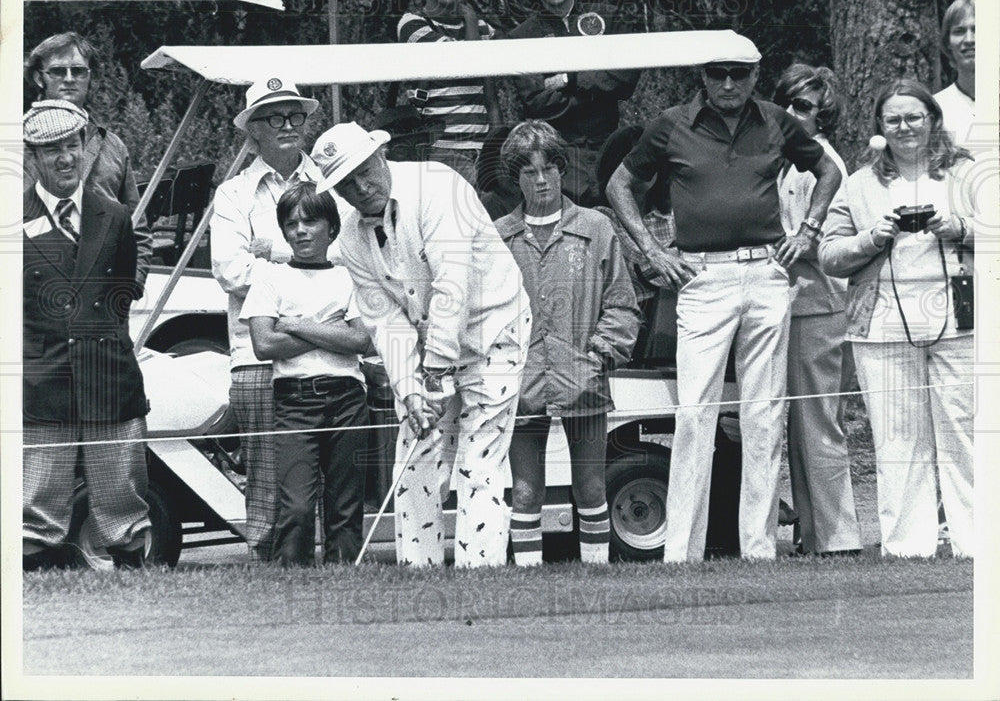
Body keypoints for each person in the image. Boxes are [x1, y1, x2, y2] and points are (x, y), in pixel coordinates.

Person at [606, 38, 844, 562]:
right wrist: (650, 250)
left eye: (739, 74)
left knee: (764, 414)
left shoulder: (778, 120)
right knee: (695, 414)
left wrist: (808, 228)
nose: (729, 84)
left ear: (756, 75)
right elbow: (620, 184)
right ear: (704, 76)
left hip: (766, 272)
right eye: (718, 74)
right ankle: (681, 553)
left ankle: (758, 548)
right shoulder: (671, 123)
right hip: (701, 277)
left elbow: (827, 169)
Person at [312, 122, 531, 568]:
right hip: (429, 349)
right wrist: (411, 390)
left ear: (381, 155)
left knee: (478, 458)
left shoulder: (437, 186)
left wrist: (434, 371)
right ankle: (419, 571)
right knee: (415, 455)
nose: (360, 187)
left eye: (363, 171)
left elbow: (454, 286)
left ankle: (480, 573)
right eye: (345, 183)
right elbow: (385, 322)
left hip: (494, 331)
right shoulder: (352, 237)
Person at [819, 79, 975, 559]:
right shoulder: (861, 182)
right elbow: (829, 254)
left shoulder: (967, 173)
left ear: (932, 120)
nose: (905, 126)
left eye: (914, 117)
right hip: (882, 325)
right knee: (896, 438)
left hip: (961, 319)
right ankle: (908, 545)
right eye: (894, 119)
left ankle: (977, 540)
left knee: (964, 433)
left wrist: (960, 228)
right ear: (880, 127)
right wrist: (871, 238)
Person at [495, 121, 640, 565]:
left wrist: (599, 355)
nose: (540, 180)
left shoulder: (596, 227)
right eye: (528, 172)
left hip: (584, 378)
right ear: (515, 178)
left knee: (592, 486)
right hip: (522, 382)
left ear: (561, 169)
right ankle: (529, 580)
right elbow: (484, 312)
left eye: (548, 169)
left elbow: (622, 304)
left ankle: (596, 573)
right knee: (524, 490)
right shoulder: (499, 236)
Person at [22, 100, 151, 570]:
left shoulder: (113, 216)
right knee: (36, 507)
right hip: (41, 382)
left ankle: (134, 593)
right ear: (32, 157)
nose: (64, 158)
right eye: (51, 149)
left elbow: (120, 295)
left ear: (84, 148)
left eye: (72, 145)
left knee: (123, 501)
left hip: (108, 379)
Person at [210, 75, 321, 563]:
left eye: (295, 115)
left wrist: (273, 251)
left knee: (325, 467)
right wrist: (311, 271)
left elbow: (351, 258)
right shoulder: (234, 194)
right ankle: (268, 557)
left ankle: (322, 558)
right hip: (256, 353)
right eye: (274, 117)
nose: (288, 125)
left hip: (328, 351)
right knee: (265, 470)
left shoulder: (331, 182)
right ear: (251, 129)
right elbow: (232, 272)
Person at [241, 182, 371, 566]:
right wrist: (331, 330)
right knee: (296, 505)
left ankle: (342, 582)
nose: (300, 230)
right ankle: (293, 583)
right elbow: (264, 344)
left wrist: (295, 324)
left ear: (331, 228)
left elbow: (362, 340)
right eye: (292, 223)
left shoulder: (349, 277)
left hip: (347, 397)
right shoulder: (270, 278)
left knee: (345, 505)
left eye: (311, 221)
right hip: (294, 401)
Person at [772, 64, 862, 556]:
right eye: (788, 103)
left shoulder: (825, 163)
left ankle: (839, 536)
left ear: (822, 115)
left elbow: (829, 243)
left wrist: (779, 243)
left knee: (819, 421)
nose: (794, 114)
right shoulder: (783, 160)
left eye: (805, 108)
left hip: (820, 303)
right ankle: (811, 528)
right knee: (794, 425)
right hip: (787, 303)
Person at [504, 0, 640, 208]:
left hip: (609, 145)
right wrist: (595, 89)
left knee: (619, 223)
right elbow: (537, 102)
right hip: (560, 156)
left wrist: (571, 80)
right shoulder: (522, 36)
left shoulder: (606, 18)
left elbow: (624, 80)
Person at [23, 32, 153, 293]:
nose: (70, 79)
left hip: (102, 300)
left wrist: (129, 288)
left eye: (79, 71)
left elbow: (137, 227)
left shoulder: (113, 145)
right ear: (39, 77)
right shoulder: (16, 142)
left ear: (90, 76)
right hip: (37, 297)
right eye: (58, 71)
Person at [397, 0, 501, 187]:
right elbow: (463, 63)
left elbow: (491, 97)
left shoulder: (484, 30)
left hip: (480, 151)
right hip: (439, 151)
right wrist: (471, 19)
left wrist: (495, 147)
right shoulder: (412, 25)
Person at [934, 0, 975, 147]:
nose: (969, 40)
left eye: (976, 30)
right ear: (948, 44)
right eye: (959, 31)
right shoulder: (936, 109)